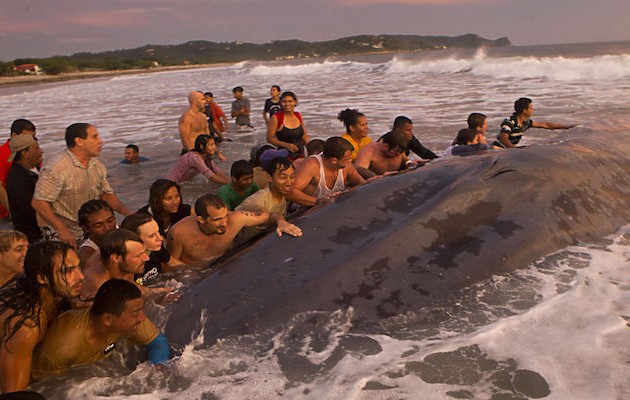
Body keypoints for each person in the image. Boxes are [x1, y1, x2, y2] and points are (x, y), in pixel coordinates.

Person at [31, 279, 170, 380]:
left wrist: (157, 369)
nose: (142, 317)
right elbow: (46, 388)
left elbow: (157, 340)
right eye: (136, 313)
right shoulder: (61, 349)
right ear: (107, 319)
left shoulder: (126, 319)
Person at [0, 241, 84, 393]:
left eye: (79, 267)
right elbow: (14, 395)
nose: (81, 276)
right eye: (67, 271)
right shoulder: (26, 326)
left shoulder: (49, 296)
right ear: (42, 278)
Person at [31, 123, 130, 247]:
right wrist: (62, 230)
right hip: (60, 232)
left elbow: (106, 195)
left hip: (88, 227)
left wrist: (128, 214)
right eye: (94, 137)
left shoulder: (96, 164)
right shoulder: (57, 167)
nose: (100, 141)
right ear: (79, 141)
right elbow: (39, 203)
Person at [167, 194, 302, 265]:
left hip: (224, 262)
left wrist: (282, 222)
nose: (224, 223)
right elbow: (170, 262)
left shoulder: (236, 218)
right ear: (201, 220)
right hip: (194, 272)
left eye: (225, 216)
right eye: (217, 220)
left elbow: (271, 216)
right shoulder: (179, 232)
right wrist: (193, 274)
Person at [288, 136, 365, 207]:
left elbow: (363, 185)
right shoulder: (313, 165)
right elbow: (291, 192)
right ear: (333, 160)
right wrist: (318, 202)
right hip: (305, 211)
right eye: (347, 159)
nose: (350, 161)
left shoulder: (346, 166)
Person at [80, 229, 150, 303]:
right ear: (116, 258)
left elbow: (128, 282)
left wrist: (152, 292)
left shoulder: (116, 250)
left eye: (144, 252)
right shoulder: (99, 288)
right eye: (138, 255)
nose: (147, 258)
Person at [120, 213, 182, 285]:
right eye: (151, 236)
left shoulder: (155, 248)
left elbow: (173, 263)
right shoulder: (127, 264)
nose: (160, 238)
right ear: (135, 239)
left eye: (158, 232)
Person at [493, 97, 576, 148]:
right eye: (531, 108)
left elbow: (545, 125)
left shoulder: (526, 122)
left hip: (507, 149)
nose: (532, 110)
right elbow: (503, 138)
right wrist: (513, 150)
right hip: (497, 149)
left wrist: (567, 127)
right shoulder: (509, 122)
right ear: (524, 110)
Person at [6, 135, 44, 242]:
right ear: (24, 153)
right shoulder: (17, 180)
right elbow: (29, 212)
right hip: (33, 236)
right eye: (36, 148)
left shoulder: (33, 168)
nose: (41, 151)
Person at [0, 119, 37, 221]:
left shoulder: (32, 151)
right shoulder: (2, 154)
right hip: (6, 213)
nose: (30, 140)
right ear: (14, 136)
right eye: (26, 137)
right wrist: (12, 211)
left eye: (32, 137)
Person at [266, 91, 310, 159]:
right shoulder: (276, 118)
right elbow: (269, 138)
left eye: (290, 101)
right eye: (284, 101)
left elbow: (305, 136)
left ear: (295, 102)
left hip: (301, 155)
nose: (287, 104)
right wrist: (286, 145)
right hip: (285, 157)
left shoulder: (298, 115)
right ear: (281, 103)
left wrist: (311, 152)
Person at [76, 200, 117, 266]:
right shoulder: (87, 255)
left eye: (110, 221)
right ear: (86, 228)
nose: (107, 228)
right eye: (98, 225)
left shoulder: (127, 232)